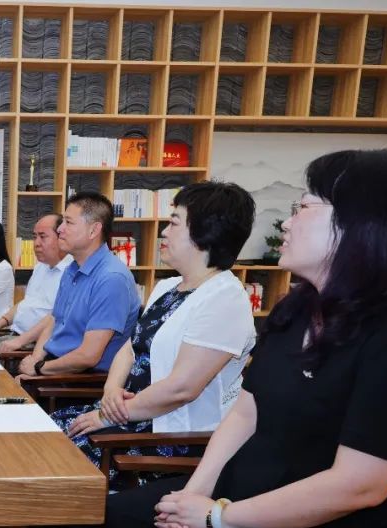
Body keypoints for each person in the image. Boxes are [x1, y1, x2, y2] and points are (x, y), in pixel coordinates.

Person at [47, 149, 387, 528]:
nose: (287, 222)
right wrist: (196, 493)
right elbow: (245, 410)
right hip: (248, 507)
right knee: (88, 523)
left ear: (362, 223)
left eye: (304, 207)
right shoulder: (300, 308)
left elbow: (361, 485)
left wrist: (218, 517)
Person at [51, 181, 256, 484]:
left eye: (174, 223)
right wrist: (110, 391)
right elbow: (129, 348)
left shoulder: (225, 298)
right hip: (127, 416)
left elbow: (182, 389)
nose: (163, 232)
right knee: (40, 433)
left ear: (206, 231)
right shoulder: (168, 287)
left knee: (52, 458)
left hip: (167, 436)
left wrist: (109, 414)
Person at [16, 192, 141, 381]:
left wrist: (40, 368)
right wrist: (36, 359)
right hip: (55, 367)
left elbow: (88, 357)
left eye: (68, 222)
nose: (60, 229)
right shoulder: (72, 269)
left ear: (93, 230)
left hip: (80, 380)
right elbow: (54, 321)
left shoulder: (111, 279)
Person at [0, 213, 72, 351]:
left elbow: (54, 321)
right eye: (35, 237)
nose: (36, 243)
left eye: (43, 237)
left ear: (61, 238)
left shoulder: (71, 274)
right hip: (13, 336)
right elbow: (26, 304)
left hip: (33, 346)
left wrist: (20, 341)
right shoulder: (40, 267)